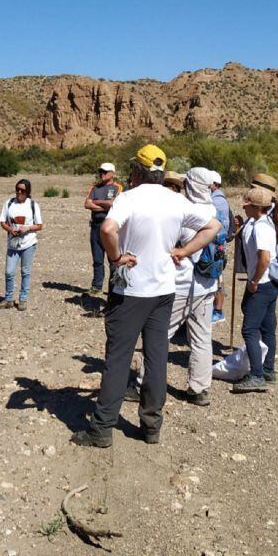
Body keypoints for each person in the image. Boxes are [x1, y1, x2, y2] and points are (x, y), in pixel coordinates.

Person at [71, 145, 221, 448]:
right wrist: (183, 251)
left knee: (118, 358)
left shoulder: (128, 197)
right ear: (161, 173)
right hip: (164, 291)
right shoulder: (175, 200)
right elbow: (213, 226)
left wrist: (116, 258)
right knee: (157, 357)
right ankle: (151, 424)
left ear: (138, 171)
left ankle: (102, 428)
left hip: (130, 291)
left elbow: (109, 229)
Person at [127, 167, 220, 407]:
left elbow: (186, 244)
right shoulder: (215, 207)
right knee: (201, 336)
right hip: (209, 283)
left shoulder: (190, 210)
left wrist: (180, 251)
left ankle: (142, 385)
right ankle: (199, 388)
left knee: (158, 335)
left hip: (184, 284)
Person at [231, 186, 278, 393]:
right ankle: (267, 369)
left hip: (262, 284)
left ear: (256, 207)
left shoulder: (262, 227)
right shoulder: (258, 222)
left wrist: (254, 281)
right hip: (269, 284)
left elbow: (264, 257)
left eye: (247, 206)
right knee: (266, 327)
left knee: (250, 329)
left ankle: (256, 375)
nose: (245, 208)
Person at [0, 179, 44, 311]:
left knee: (25, 272)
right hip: (12, 244)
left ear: (28, 191)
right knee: (9, 272)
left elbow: (39, 226)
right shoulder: (9, 203)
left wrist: (27, 228)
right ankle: (9, 299)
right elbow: (2, 222)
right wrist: (10, 229)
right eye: (17, 189)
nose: (19, 192)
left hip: (28, 243)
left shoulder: (33, 205)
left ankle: (23, 299)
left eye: (22, 190)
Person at [84, 162, 123, 296]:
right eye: (100, 171)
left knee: (113, 260)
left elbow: (114, 205)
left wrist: (96, 202)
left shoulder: (118, 187)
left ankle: (113, 289)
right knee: (97, 259)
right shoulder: (94, 188)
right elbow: (87, 204)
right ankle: (96, 286)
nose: (102, 174)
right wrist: (104, 205)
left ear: (113, 173)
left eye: (105, 172)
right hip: (95, 226)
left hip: (111, 227)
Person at [209, 170, 232, 324]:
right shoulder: (222, 199)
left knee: (217, 278)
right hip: (219, 246)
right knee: (218, 277)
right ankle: (217, 310)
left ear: (215, 184)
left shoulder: (216, 201)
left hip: (215, 246)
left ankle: (217, 311)